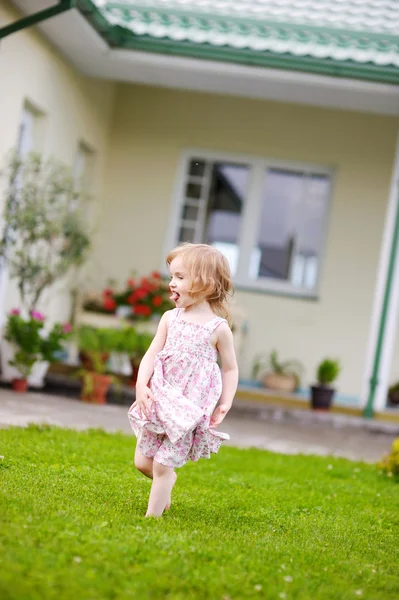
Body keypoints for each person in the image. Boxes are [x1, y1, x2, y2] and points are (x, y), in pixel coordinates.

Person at [128, 243, 239, 517]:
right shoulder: (170, 318)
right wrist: (142, 385)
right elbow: (151, 354)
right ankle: (166, 482)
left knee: (163, 465)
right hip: (161, 400)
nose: (171, 284)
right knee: (143, 462)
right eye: (171, 277)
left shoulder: (218, 328)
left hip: (189, 408)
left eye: (180, 277)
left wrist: (225, 402)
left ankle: (151, 519)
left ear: (205, 284)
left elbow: (230, 369)